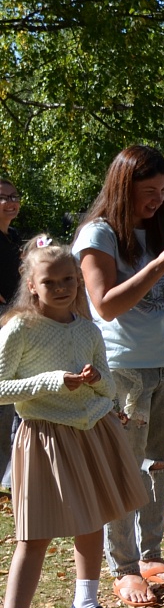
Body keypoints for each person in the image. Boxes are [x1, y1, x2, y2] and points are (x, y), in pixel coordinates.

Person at [0, 239, 149, 608]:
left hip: (93, 433)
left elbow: (105, 390)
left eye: (69, 280)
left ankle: (84, 607)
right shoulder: (19, 329)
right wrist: (49, 382)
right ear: (33, 285)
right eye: (51, 282)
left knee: (93, 520)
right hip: (45, 436)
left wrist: (98, 381)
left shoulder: (88, 329)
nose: (62, 288)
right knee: (34, 536)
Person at [73, 146, 164, 608]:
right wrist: (159, 266)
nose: (157, 200)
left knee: (158, 463)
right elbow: (106, 304)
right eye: (148, 191)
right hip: (123, 367)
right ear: (122, 186)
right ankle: (125, 569)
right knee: (124, 468)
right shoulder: (99, 235)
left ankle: (152, 557)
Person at [0, 179, 25, 488]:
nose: (10, 201)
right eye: (3, 197)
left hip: (18, 319)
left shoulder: (15, 237)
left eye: (14, 197)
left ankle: (12, 473)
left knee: (18, 393)